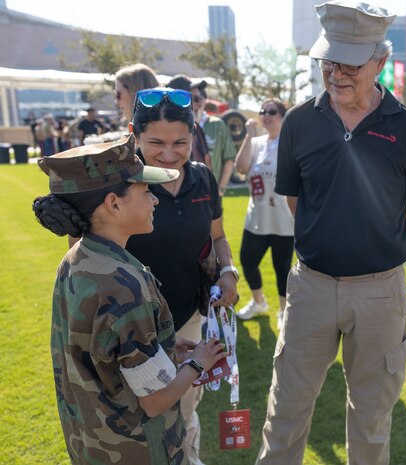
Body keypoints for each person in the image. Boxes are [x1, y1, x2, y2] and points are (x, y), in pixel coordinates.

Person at [255, 2, 406, 464]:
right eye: (327, 60)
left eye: (350, 63)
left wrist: (377, 245)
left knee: (372, 418)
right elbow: (296, 200)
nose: (335, 73)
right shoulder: (299, 121)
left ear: (380, 61)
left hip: (380, 294)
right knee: (286, 412)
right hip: (310, 288)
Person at [33, 135, 227, 465]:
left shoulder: (78, 258)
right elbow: (155, 400)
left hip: (92, 443)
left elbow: (105, 345)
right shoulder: (126, 287)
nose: (155, 201)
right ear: (114, 204)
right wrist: (200, 362)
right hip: (139, 450)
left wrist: (167, 342)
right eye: (145, 191)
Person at [125, 87, 240, 465]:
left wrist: (227, 272)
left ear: (195, 137)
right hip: (135, 326)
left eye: (181, 142)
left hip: (189, 317)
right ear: (134, 134)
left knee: (187, 406)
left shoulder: (203, 179)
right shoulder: (121, 185)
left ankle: (188, 458)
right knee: (141, 417)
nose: (170, 154)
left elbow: (217, 235)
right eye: (156, 142)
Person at [233, 98, 294, 329]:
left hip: (284, 219)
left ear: (282, 116)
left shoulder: (290, 143)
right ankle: (259, 302)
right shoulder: (256, 143)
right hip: (257, 217)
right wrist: (248, 135)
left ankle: (283, 309)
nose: (266, 115)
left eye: (272, 111)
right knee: (248, 261)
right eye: (263, 111)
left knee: (282, 268)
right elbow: (241, 168)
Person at [168, 75, 237, 195]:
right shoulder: (167, 128)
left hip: (209, 195)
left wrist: (219, 190)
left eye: (201, 97)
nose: (200, 102)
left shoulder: (217, 125)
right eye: (194, 99)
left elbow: (229, 158)